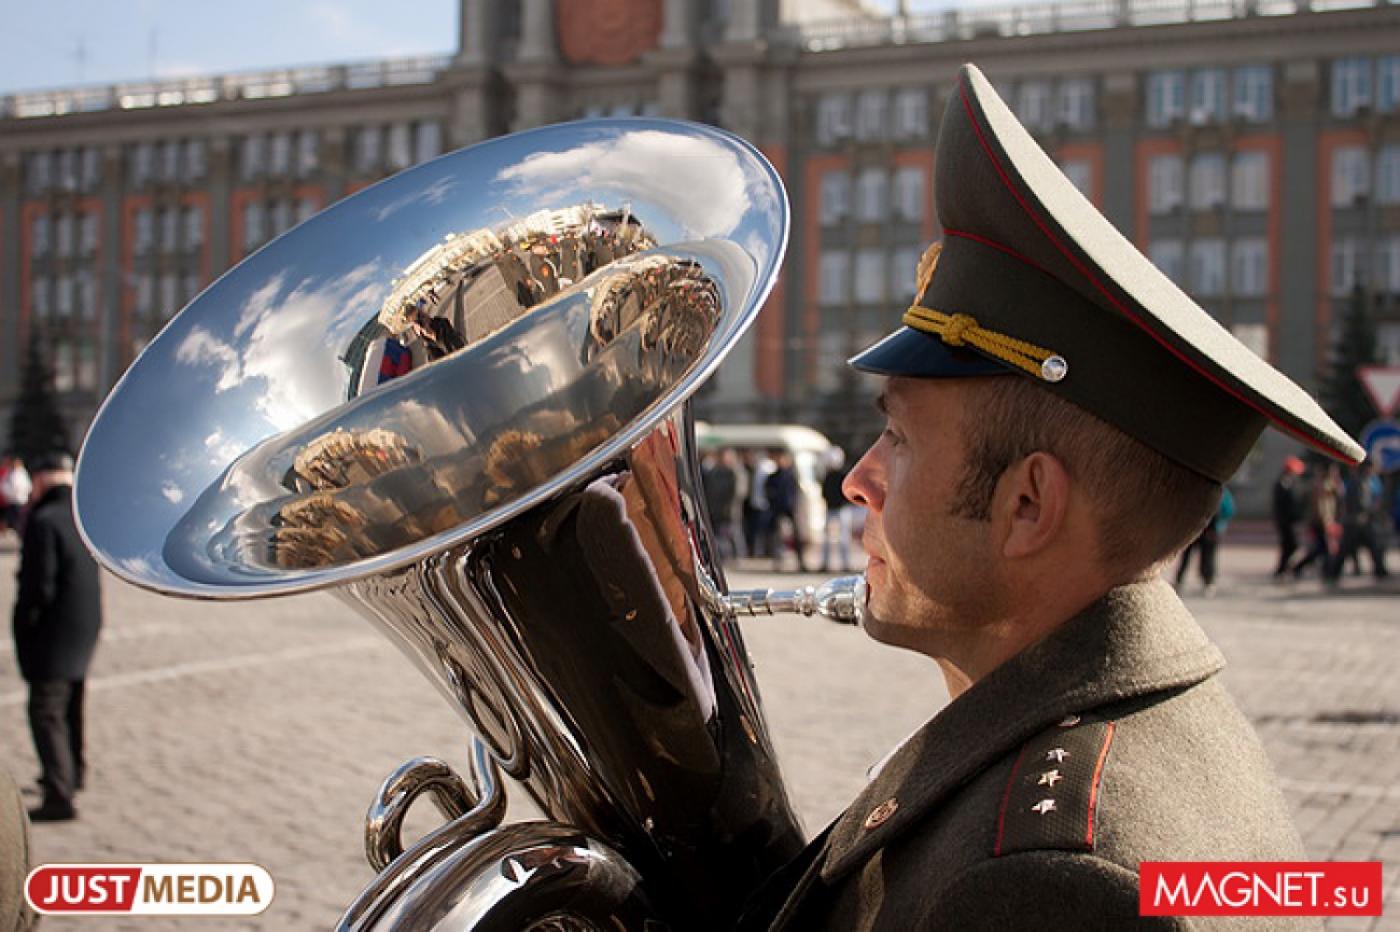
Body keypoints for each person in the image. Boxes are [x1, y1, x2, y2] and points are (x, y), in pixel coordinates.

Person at [746, 64, 1363, 929]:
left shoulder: (1045, 880)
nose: (858, 479)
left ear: (1028, 504)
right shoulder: (1142, 736)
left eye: (900, 439)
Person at [12, 452, 102, 823]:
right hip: (84, 625)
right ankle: (74, 771)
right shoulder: (82, 518)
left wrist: (25, 627)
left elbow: (39, 586)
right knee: (71, 704)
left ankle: (59, 793)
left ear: (40, 480)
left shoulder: (45, 520)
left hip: (53, 632)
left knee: (46, 711)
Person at [1173, 485, 1233, 595]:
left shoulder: (1217, 491)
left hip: (1206, 530)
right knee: (1189, 557)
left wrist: (1216, 528)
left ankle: (1208, 582)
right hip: (1193, 530)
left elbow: (1224, 510)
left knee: (1207, 558)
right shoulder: (1210, 490)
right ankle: (1181, 580)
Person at [765, 452, 808, 573]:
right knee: (776, 537)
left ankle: (801, 561)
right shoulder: (773, 477)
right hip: (777, 509)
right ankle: (778, 561)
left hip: (790, 508)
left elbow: (796, 493)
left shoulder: (790, 476)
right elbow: (768, 491)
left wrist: (794, 505)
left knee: (796, 536)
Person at [818, 448, 854, 574]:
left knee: (843, 537)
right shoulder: (828, 475)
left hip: (841, 509)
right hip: (832, 509)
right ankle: (825, 563)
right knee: (827, 538)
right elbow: (824, 492)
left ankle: (845, 563)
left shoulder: (842, 475)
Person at [1271, 455, 1306, 578]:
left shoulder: (1289, 483)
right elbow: (1284, 505)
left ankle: (1282, 569)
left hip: (1289, 521)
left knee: (1289, 546)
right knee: (1291, 545)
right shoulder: (1282, 484)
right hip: (1285, 522)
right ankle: (1283, 569)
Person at [0, 457, 29, 535]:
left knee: (18, 519)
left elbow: (27, 486)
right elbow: (3, 485)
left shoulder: (22, 473)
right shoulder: (10, 473)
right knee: (8, 519)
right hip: (11, 501)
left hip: (20, 501)